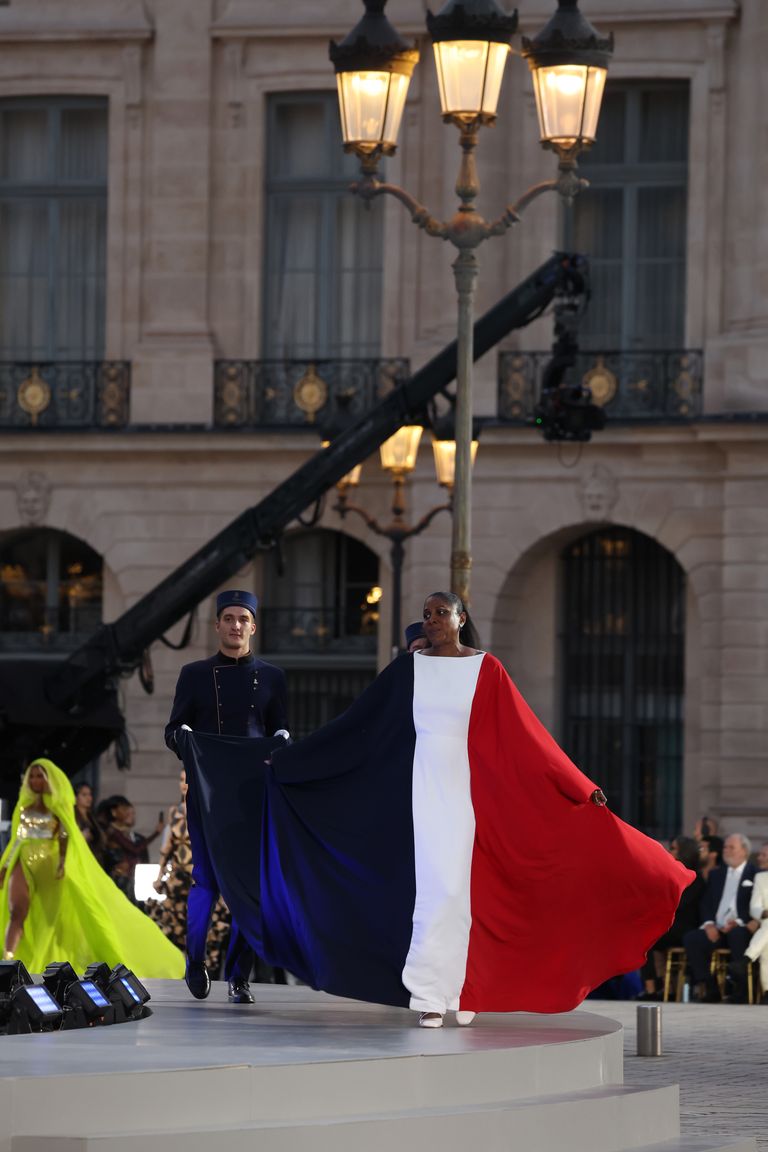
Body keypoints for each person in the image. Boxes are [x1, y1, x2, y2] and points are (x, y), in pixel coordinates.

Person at [192, 590, 694, 1029]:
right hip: (419, 794)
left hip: (472, 795)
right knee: (432, 892)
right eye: (426, 613)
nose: (430, 620)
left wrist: (581, 786)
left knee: (464, 892)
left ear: (460, 618)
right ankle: (432, 996)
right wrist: (288, 760)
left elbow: (530, 738)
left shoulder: (487, 668)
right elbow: (355, 727)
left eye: (439, 613)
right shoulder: (409, 669)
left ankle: (468, 990)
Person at [165, 588, 289, 1004]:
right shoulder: (195, 674)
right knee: (206, 882)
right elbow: (172, 730)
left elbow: (281, 731)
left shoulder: (274, 677)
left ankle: (239, 976)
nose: (236, 626)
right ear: (217, 625)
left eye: (243, 619)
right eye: (229, 618)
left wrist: (283, 742)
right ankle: (195, 958)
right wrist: (183, 740)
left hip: (254, 797)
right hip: (206, 793)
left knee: (250, 889)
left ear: (254, 626)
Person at [0, 759, 184, 978]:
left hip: (49, 865)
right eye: (32, 776)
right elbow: (18, 839)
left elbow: (66, 834)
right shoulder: (24, 808)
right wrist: (5, 866)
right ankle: (7, 960)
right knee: (17, 909)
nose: (35, 780)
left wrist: (61, 861)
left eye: (40, 776)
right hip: (24, 861)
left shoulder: (58, 808)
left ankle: (51, 958)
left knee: (51, 916)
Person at [148, 769, 231, 974]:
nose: (184, 784)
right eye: (182, 780)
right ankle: (180, 971)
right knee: (175, 927)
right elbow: (168, 845)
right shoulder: (175, 811)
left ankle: (206, 972)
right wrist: (159, 875)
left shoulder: (209, 810)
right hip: (178, 878)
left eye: (188, 780)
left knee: (208, 927)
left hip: (202, 876)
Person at [683, 832, 757, 1002]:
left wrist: (738, 922)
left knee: (737, 934)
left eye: (732, 847)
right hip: (717, 928)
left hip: (741, 928)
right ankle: (710, 987)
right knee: (692, 938)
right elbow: (706, 903)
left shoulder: (755, 874)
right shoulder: (717, 874)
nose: (726, 850)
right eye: (725, 847)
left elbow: (756, 903)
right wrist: (709, 924)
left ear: (744, 851)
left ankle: (741, 991)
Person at [637, 836, 705, 999]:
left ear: (684, 853)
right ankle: (660, 986)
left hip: (684, 929)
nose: (670, 851)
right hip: (670, 925)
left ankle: (652, 988)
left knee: (646, 938)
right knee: (644, 936)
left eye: (673, 848)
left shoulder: (694, 877)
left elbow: (678, 904)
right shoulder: (673, 873)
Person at [73, 782, 107, 866]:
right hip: (81, 860)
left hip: (95, 859)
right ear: (75, 797)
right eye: (84, 795)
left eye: (90, 794)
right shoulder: (73, 816)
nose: (89, 798)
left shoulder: (92, 817)